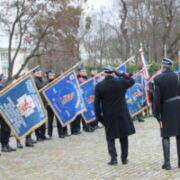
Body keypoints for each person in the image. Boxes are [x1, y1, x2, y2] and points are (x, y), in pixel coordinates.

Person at [94, 66, 136, 165]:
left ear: (104, 73)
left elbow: (96, 104)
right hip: (121, 112)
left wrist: (99, 118)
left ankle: (113, 159)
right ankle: (124, 159)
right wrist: (121, 74)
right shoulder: (120, 82)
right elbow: (132, 80)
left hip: (108, 114)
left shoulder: (99, 86)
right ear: (113, 73)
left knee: (110, 137)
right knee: (123, 136)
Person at [153, 57, 180, 170]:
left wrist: (156, 113)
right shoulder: (178, 76)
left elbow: (157, 98)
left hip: (166, 108)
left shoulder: (158, 79)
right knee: (179, 135)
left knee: (165, 135)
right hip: (179, 107)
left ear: (163, 67)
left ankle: (167, 163)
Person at [46, 71, 70, 138]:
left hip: (58, 104)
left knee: (59, 119)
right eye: (50, 75)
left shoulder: (57, 83)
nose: (52, 76)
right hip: (50, 104)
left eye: (53, 75)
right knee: (50, 120)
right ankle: (49, 134)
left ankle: (61, 133)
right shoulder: (46, 83)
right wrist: (47, 102)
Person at [0, 74, 16, 152]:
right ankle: (3, 145)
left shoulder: (4, 86)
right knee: (4, 129)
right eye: (2, 79)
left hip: (6, 110)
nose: (3, 80)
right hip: (1, 111)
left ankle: (7, 143)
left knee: (7, 128)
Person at [33, 68, 49, 141]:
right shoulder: (34, 81)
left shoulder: (41, 81)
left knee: (43, 119)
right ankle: (38, 136)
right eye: (38, 73)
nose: (39, 74)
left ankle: (43, 135)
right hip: (37, 102)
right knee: (38, 120)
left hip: (42, 102)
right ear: (34, 73)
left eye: (40, 72)